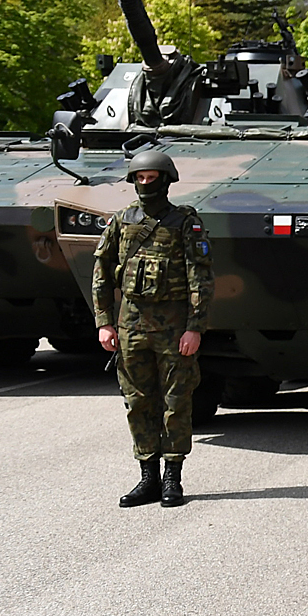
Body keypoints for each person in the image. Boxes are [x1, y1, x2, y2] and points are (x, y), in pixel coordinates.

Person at [92, 148, 214, 509]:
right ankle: (148, 476)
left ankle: (172, 477)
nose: (145, 184)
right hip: (131, 324)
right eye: (140, 178)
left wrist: (195, 327)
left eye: (152, 178)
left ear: (166, 181)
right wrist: (104, 322)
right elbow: (102, 273)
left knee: (176, 401)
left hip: (174, 326)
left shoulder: (184, 222)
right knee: (138, 401)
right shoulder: (122, 221)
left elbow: (200, 278)